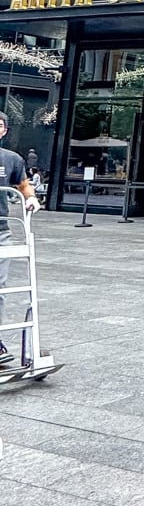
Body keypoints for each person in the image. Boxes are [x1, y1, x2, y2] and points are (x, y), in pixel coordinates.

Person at [0, 114, 39, 367]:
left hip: (1, 229)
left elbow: (23, 185)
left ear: (4, 131)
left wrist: (31, 198)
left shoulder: (12, 159)